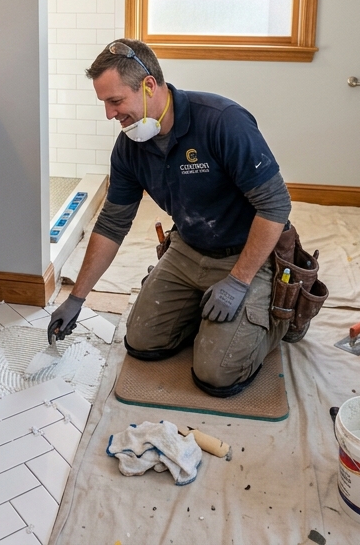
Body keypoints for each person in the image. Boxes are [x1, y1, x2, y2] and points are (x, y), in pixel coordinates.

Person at [47, 40, 295, 396]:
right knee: (142, 341)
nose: (110, 114)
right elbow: (112, 224)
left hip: (248, 255)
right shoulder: (130, 147)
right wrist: (76, 298)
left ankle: (276, 319)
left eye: (115, 101)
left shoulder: (222, 121)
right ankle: (208, 315)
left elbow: (276, 206)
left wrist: (238, 282)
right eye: (105, 103)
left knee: (216, 373)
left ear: (148, 85)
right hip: (188, 247)